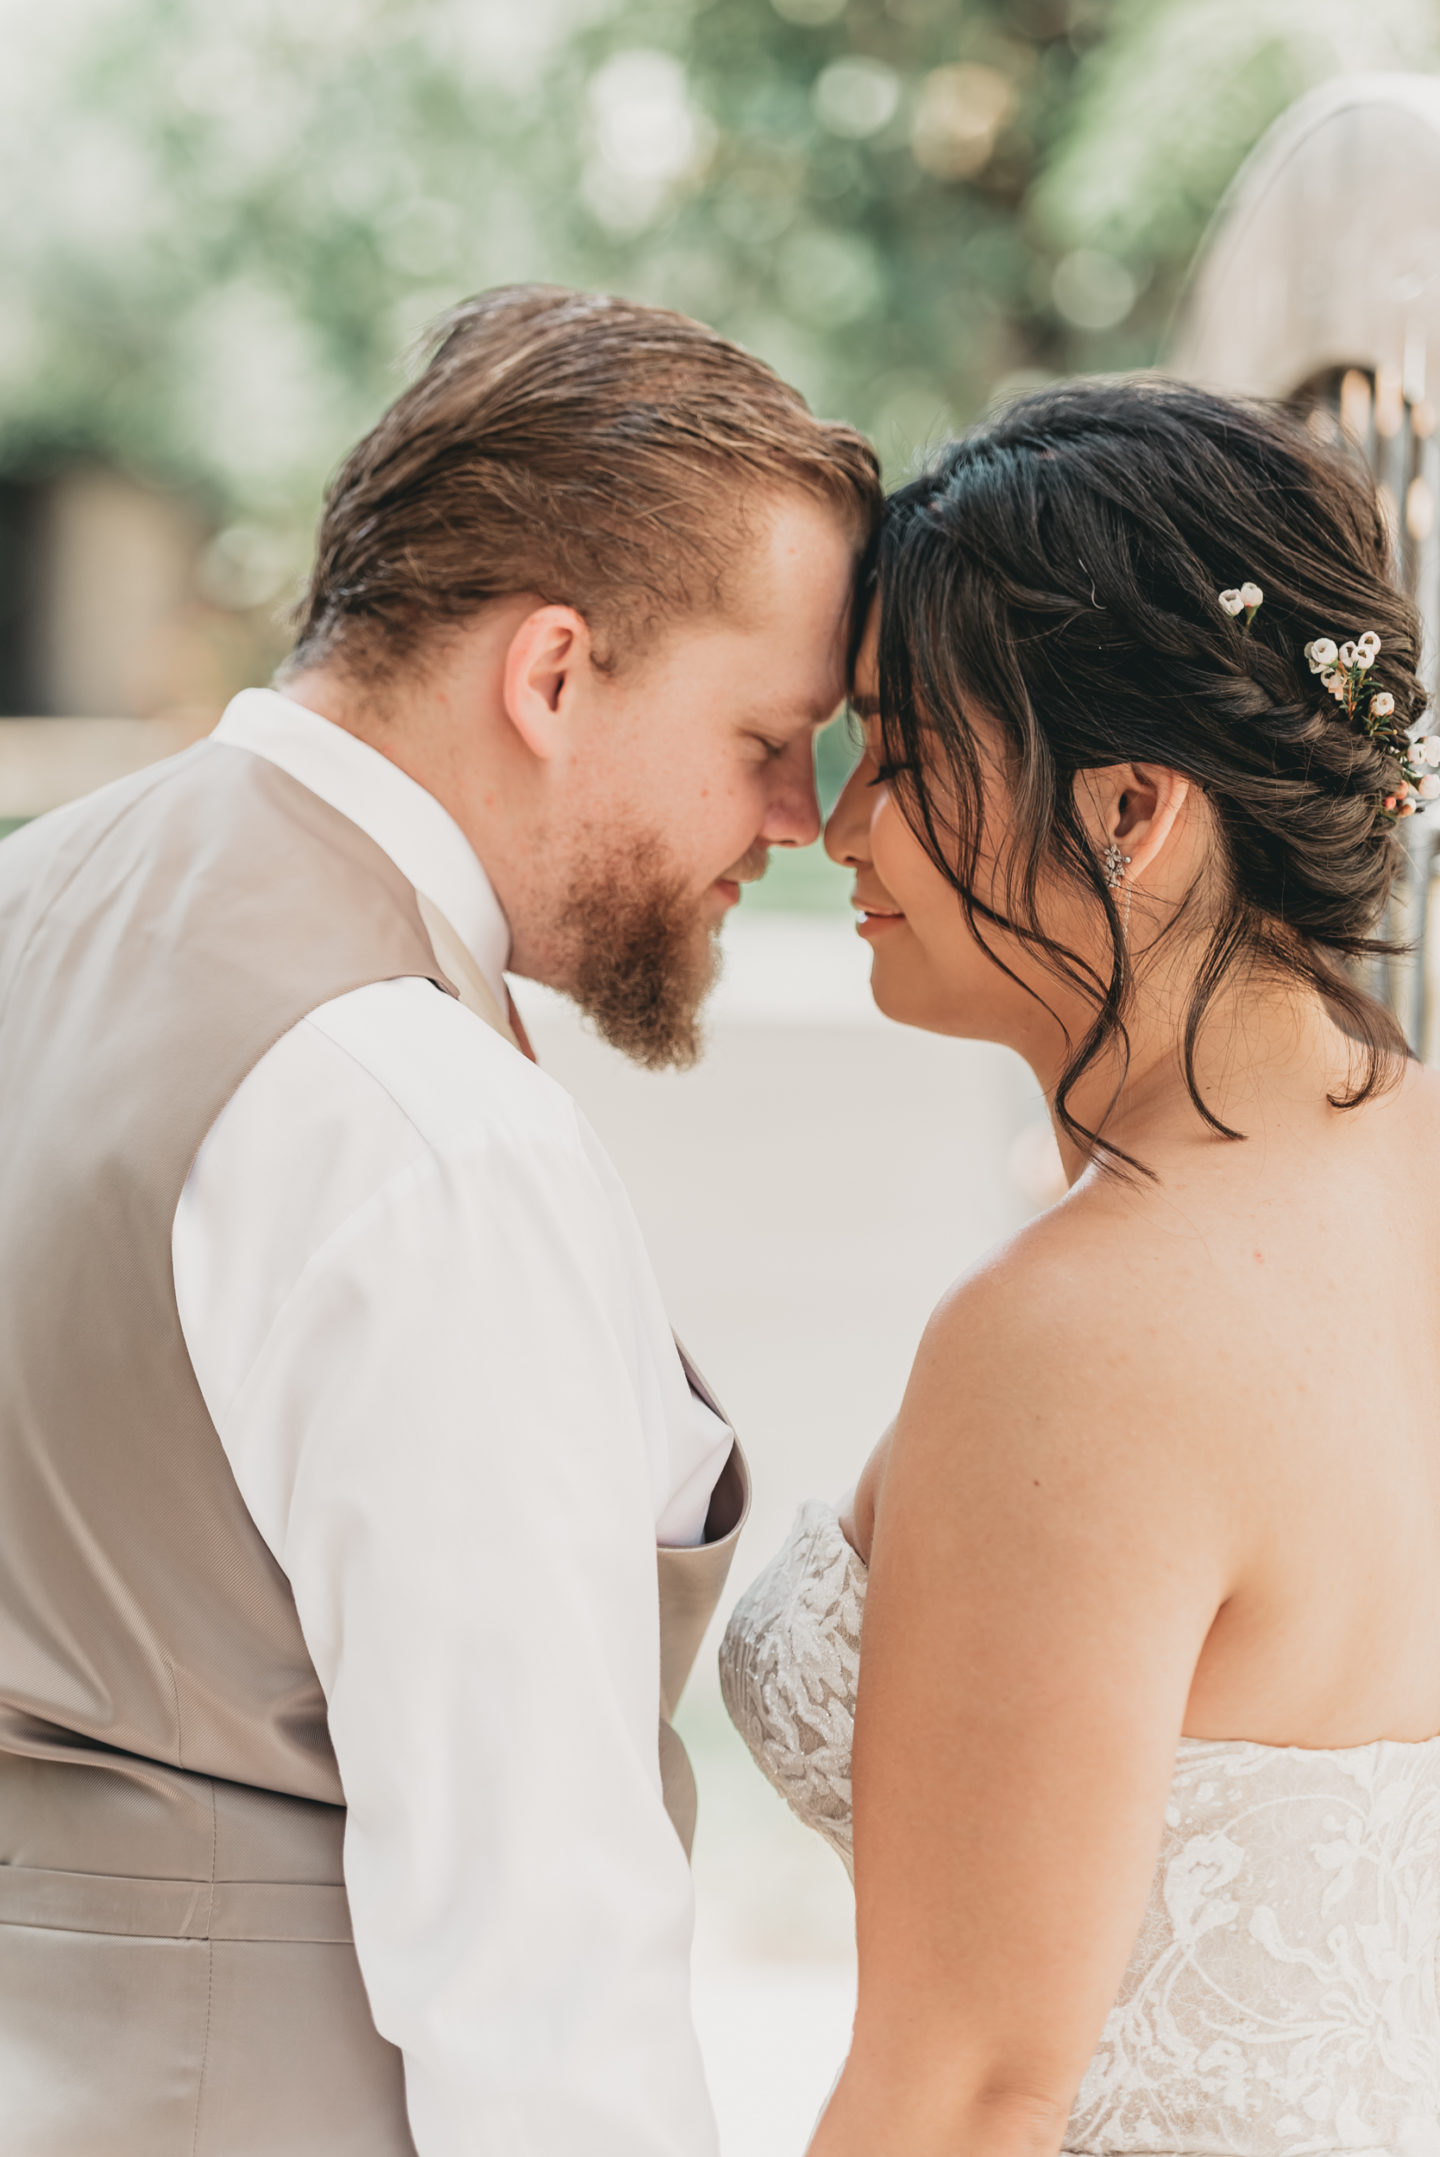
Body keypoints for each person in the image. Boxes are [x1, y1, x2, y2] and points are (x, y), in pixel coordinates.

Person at [0, 284, 880, 2156]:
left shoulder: (28, 907)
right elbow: (535, 1959)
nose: (799, 821)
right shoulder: (417, 1124)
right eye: (760, 736)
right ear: (553, 673)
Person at [722, 378, 1440, 2154]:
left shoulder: (1087, 1335)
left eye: (898, 748)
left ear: (1130, 809)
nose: (840, 822)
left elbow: (965, 2092)